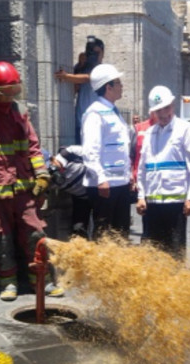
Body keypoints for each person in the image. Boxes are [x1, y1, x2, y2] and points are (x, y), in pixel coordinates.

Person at [0, 61, 63, 301]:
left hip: (25, 190)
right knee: (1, 238)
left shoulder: (20, 112)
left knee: (36, 234)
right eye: (6, 93)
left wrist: (43, 176)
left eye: (13, 92)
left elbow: (34, 148)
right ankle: (7, 283)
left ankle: (43, 280)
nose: (10, 98)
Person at [135, 86, 190, 261]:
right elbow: (143, 167)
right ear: (153, 112)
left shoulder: (185, 129)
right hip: (152, 203)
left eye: (166, 108)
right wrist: (141, 196)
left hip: (176, 202)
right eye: (159, 110)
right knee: (152, 252)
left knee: (175, 252)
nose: (163, 113)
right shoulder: (150, 133)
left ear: (172, 105)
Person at [80, 63, 132, 240]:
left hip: (120, 184)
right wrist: (101, 178)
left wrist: (128, 174)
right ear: (108, 87)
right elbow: (90, 151)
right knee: (105, 235)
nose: (121, 86)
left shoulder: (113, 112)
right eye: (118, 82)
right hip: (105, 186)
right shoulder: (95, 114)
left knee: (121, 234)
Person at [55, 36, 105, 143]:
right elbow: (74, 89)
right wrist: (80, 65)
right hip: (80, 121)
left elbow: (88, 78)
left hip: (97, 122)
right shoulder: (82, 68)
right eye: (91, 53)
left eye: (97, 53)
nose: (94, 56)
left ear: (102, 53)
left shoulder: (103, 70)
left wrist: (66, 76)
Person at [49, 145, 91, 238]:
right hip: (82, 199)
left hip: (99, 191)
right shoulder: (50, 181)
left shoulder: (70, 153)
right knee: (78, 230)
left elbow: (95, 155)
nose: (53, 173)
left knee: (103, 225)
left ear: (53, 159)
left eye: (52, 167)